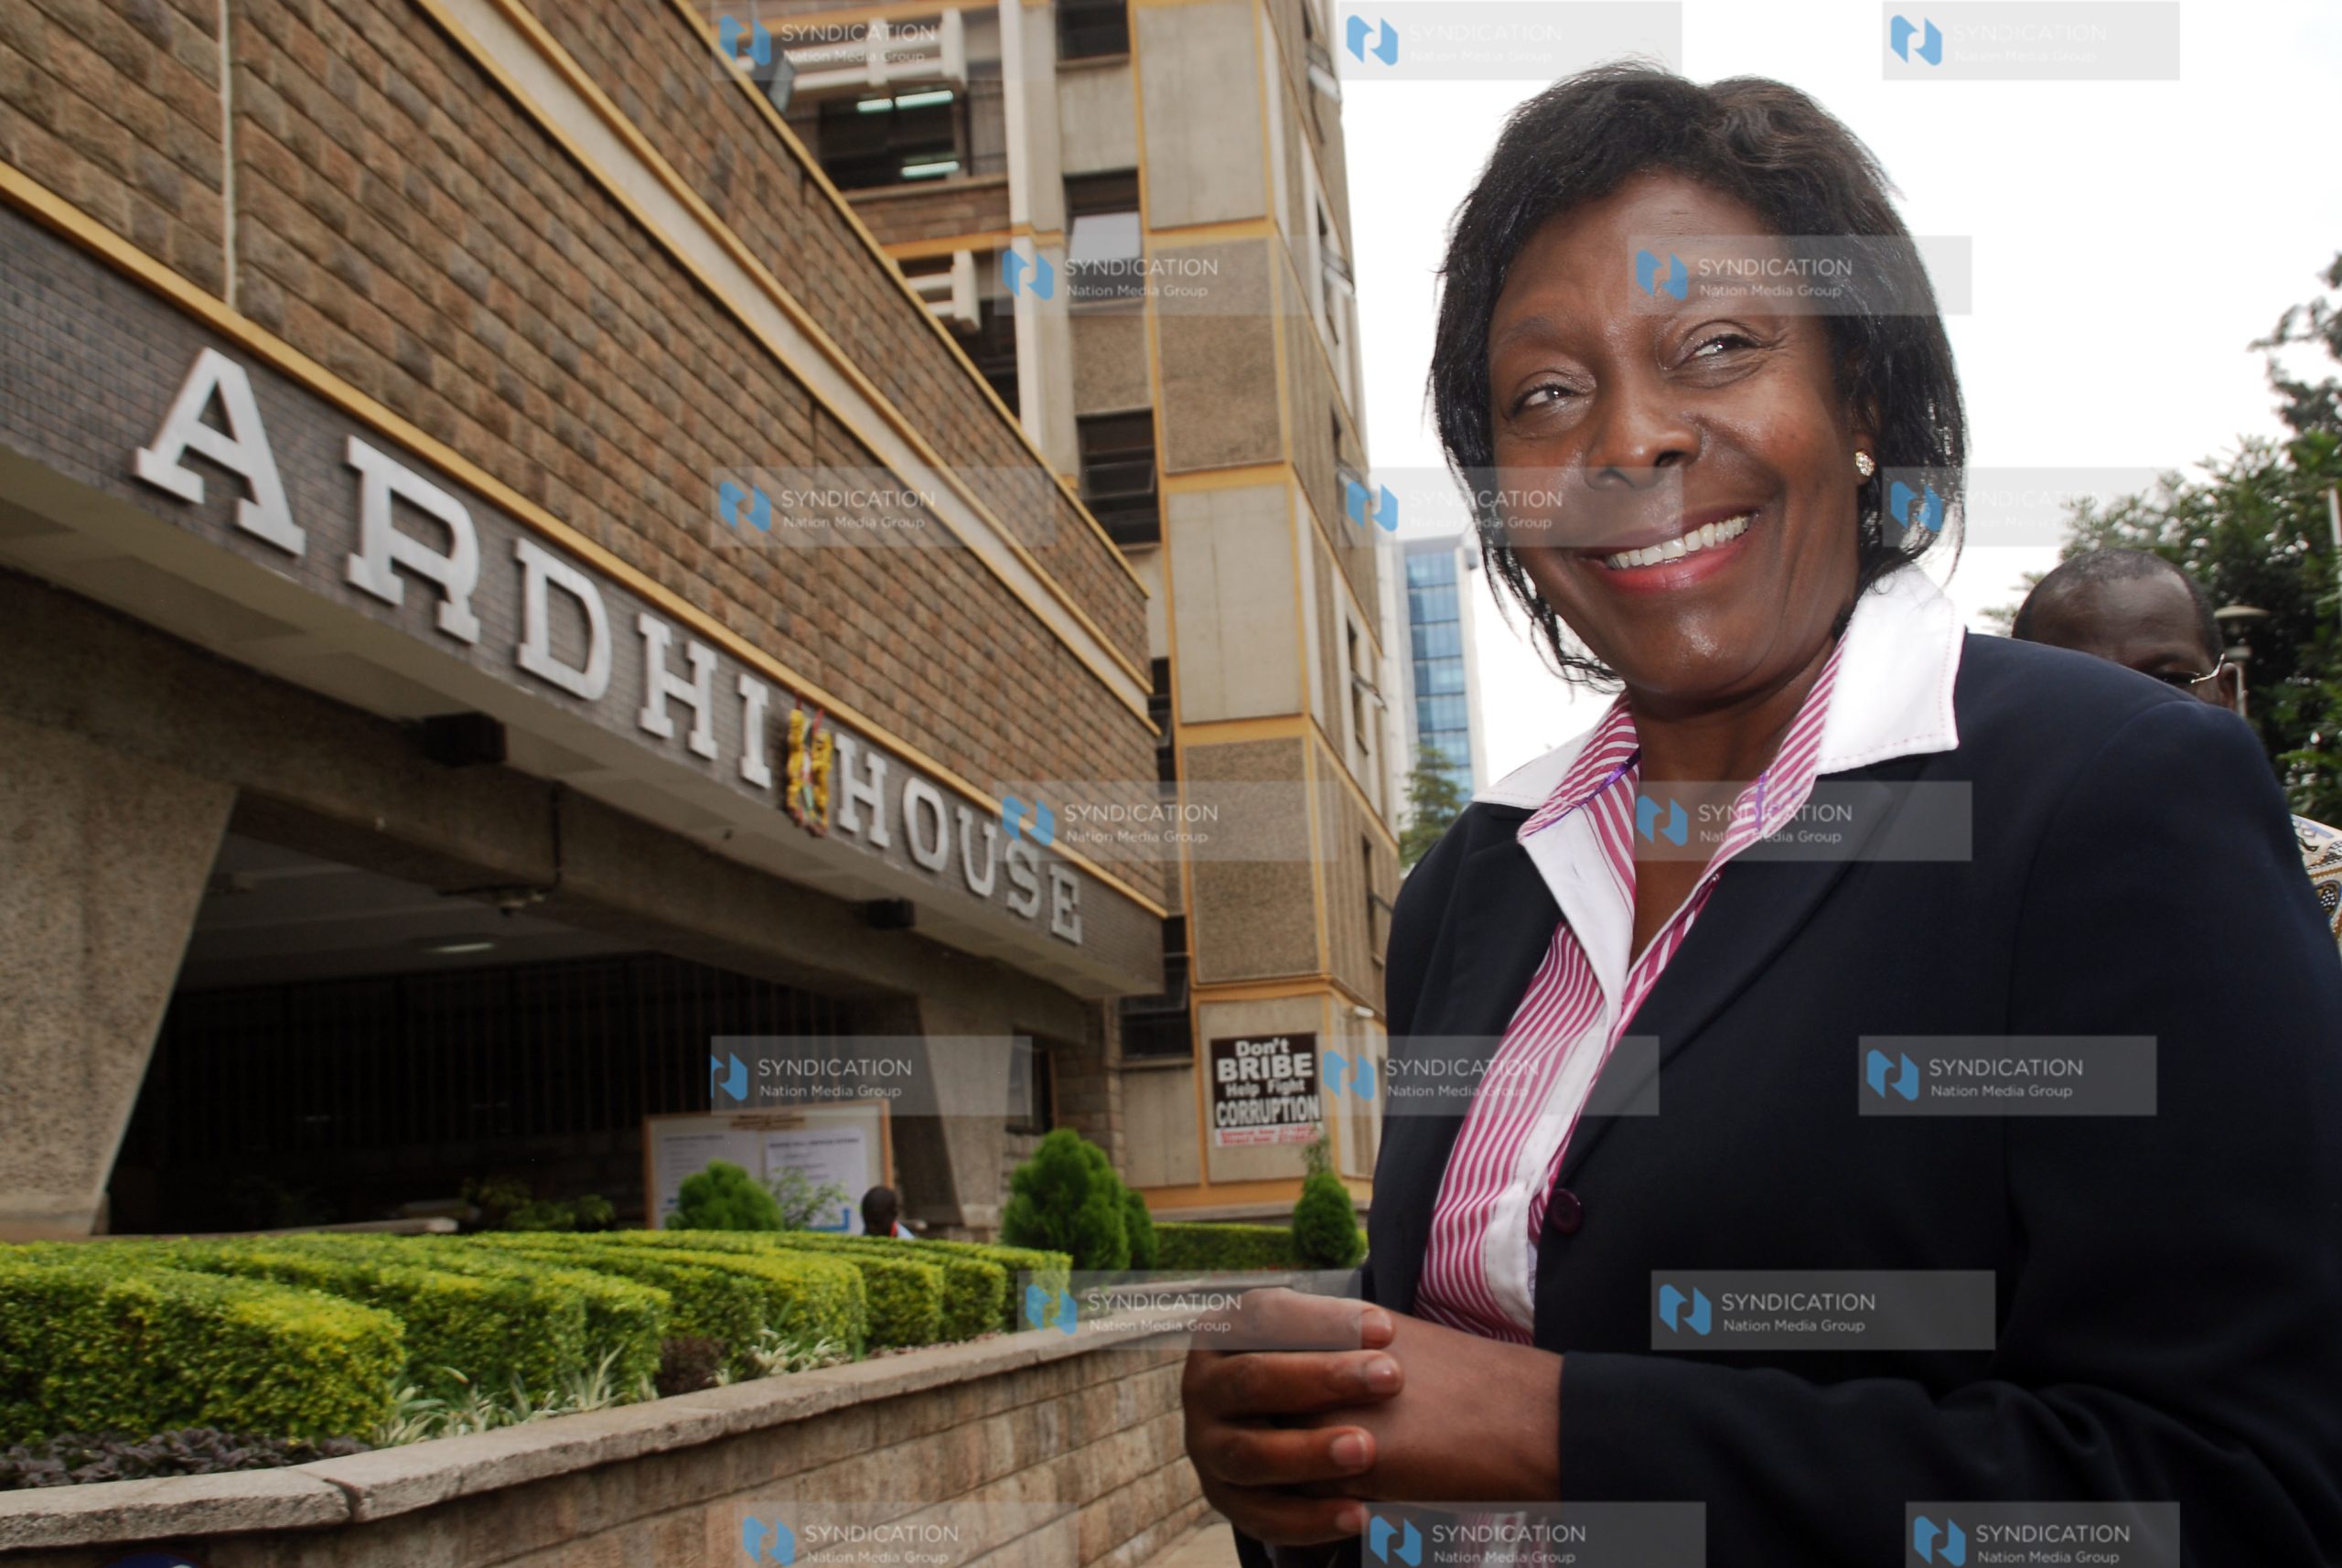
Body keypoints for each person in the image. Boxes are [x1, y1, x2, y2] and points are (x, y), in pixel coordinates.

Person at [1180, 64, 2342, 1567]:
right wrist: (1302, 1443)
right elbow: (1488, 1309)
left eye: (1718, 347)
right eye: (1546, 391)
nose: (1631, 437)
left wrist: (1557, 1430)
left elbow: (2240, 1489)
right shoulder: (1475, 881)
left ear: (1861, 396)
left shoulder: (2110, 797)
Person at [2013, 548, 2342, 951]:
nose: (2128, 715)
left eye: (2168, 679)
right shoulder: (1971, 888)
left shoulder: (2329, 880)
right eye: (2082, 685)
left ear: (2227, 694)